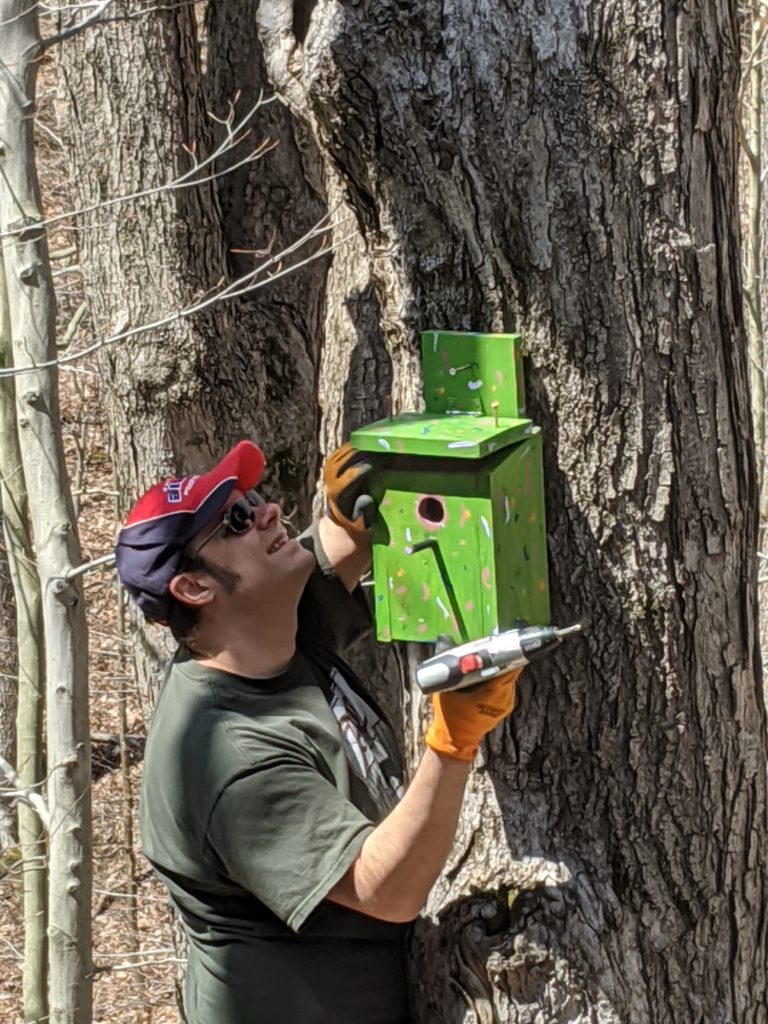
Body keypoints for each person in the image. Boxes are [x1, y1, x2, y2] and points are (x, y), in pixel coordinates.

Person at [114, 439, 521, 1024]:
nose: (269, 513)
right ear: (194, 588)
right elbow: (388, 888)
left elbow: (328, 552)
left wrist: (348, 509)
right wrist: (453, 740)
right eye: (236, 520)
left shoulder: (259, 632)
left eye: (252, 499)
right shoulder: (231, 757)